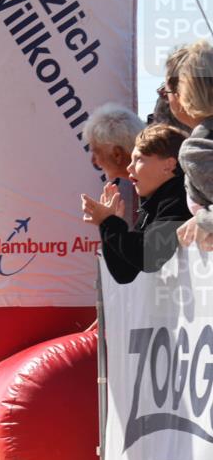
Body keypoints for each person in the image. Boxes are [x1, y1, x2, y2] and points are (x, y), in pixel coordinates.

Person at [82, 124, 192, 283]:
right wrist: (107, 223)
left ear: (168, 165)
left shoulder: (181, 197)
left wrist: (108, 221)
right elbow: (124, 273)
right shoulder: (153, 204)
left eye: (138, 159)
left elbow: (148, 257)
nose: (129, 167)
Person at [163, 40, 213, 251]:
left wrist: (203, 220)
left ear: (183, 93)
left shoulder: (198, 149)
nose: (166, 101)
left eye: (164, 92)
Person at [84, 103, 145, 226]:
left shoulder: (162, 189)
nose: (93, 161)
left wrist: (108, 223)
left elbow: (154, 244)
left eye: (96, 152)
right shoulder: (151, 182)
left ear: (117, 154)